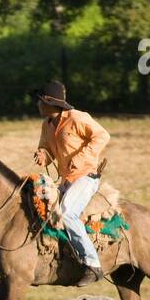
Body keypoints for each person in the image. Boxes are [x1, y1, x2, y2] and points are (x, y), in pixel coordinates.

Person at [31, 80, 111, 286]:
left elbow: (102, 135)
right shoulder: (47, 125)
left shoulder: (77, 118)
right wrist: (43, 155)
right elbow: (47, 151)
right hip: (65, 180)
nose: (37, 105)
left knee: (67, 213)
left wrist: (82, 157)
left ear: (50, 103)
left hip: (86, 176)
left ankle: (93, 264)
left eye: (40, 101)